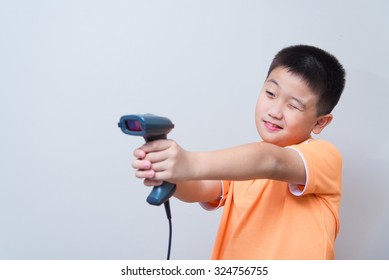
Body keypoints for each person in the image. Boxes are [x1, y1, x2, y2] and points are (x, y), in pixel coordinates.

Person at [131, 45, 346, 259]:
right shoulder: (243, 164)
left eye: (294, 106)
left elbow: (272, 162)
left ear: (320, 122)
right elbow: (200, 187)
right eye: (270, 93)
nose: (274, 111)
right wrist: (170, 173)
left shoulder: (324, 156)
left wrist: (189, 163)